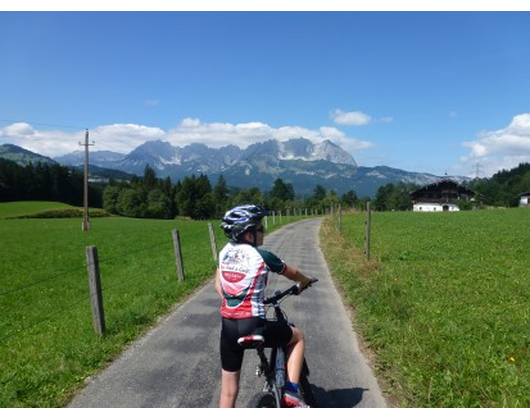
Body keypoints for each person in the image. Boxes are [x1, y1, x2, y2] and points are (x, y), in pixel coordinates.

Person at [215, 204, 315, 408]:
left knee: (228, 392)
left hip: (229, 327)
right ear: (248, 234)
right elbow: (292, 273)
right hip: (252, 324)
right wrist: (304, 282)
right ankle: (292, 393)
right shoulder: (262, 255)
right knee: (297, 337)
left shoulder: (224, 253)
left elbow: (220, 286)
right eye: (260, 228)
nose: (263, 231)